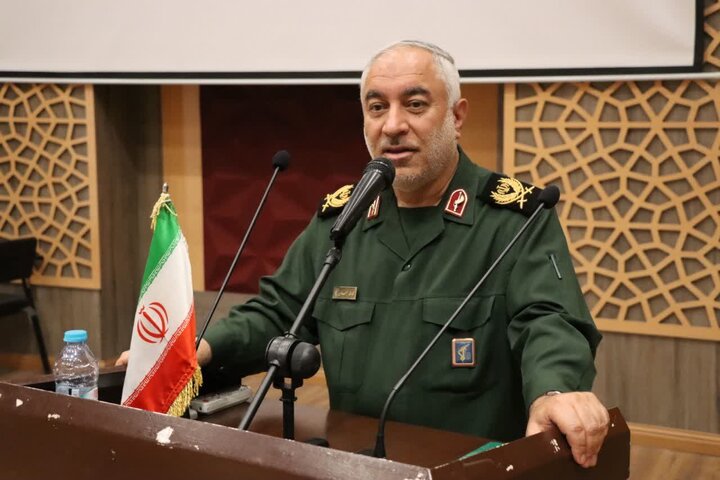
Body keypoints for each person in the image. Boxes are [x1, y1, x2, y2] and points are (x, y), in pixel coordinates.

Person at [118, 40, 609, 468]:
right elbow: (280, 312)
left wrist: (554, 390)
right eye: (377, 107)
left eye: (415, 104)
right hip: (356, 465)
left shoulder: (514, 219)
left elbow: (550, 321)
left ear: (457, 117)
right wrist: (195, 351)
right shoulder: (343, 219)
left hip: (470, 469)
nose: (393, 125)